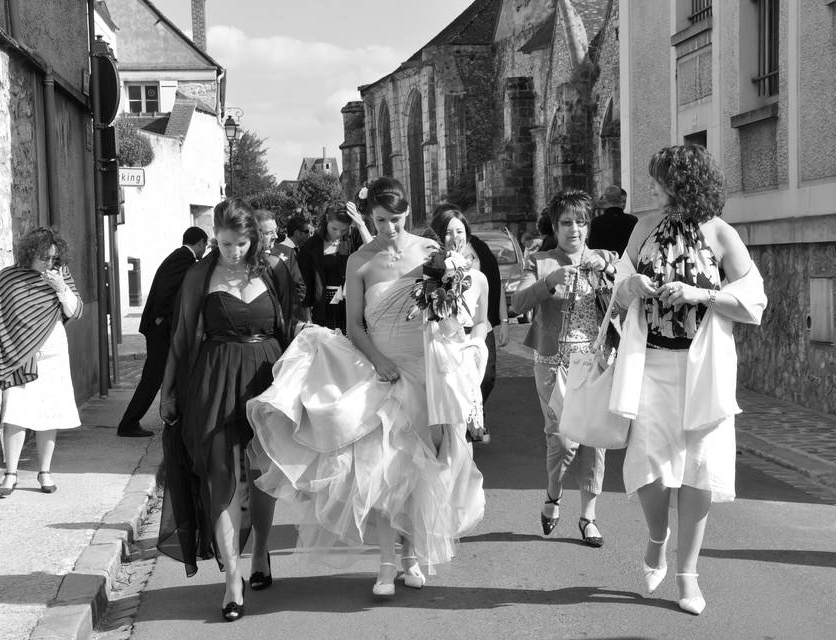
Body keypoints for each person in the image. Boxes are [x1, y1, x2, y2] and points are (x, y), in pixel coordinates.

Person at [247, 176, 485, 597]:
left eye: (395, 220)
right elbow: (354, 325)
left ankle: (412, 556)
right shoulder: (360, 260)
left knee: (424, 465)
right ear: (370, 216)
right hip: (381, 369)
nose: (388, 229)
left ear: (407, 214)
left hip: (427, 369)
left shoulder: (431, 254)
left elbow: (451, 314)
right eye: (380, 220)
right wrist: (379, 361)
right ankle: (385, 564)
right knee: (384, 469)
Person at [612, 145, 766, 615]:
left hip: (703, 368)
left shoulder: (719, 233)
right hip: (652, 366)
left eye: (660, 180)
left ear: (684, 183)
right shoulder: (643, 228)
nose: (652, 188)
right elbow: (617, 294)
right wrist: (631, 286)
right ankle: (657, 536)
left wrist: (700, 292)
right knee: (649, 469)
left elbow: (754, 298)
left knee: (700, 469)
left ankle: (688, 575)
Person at [157, 198, 303, 622]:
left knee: (261, 474)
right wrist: (168, 391)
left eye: (241, 244)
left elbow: (290, 326)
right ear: (214, 238)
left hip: (265, 378)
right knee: (219, 475)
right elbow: (183, 337)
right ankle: (232, 579)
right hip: (215, 380)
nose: (234, 252)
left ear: (252, 238)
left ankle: (260, 552)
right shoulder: (199, 276)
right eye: (225, 244)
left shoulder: (272, 269)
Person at [510, 190, 618, 548]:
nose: (575, 229)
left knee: (593, 439)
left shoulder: (606, 258)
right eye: (567, 222)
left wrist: (611, 275)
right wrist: (550, 281)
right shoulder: (540, 261)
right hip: (552, 363)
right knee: (561, 437)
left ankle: (588, 517)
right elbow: (517, 302)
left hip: (595, 361)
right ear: (555, 226)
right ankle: (553, 496)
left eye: (581, 222)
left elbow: (628, 300)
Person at [0, 227, 84, 497]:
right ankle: (11, 474)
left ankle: (45, 472)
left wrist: (60, 287)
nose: (50, 263)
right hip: (16, 355)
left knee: (49, 414)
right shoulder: (8, 277)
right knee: (14, 414)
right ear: (30, 254)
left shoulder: (60, 275)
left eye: (54, 257)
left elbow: (75, 310)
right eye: (45, 258)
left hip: (53, 355)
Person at [117, 227, 208, 438]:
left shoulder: (181, 257)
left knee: (162, 375)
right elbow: (166, 290)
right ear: (200, 242)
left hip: (162, 328)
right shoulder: (183, 258)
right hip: (160, 329)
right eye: (205, 245)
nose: (204, 249)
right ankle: (128, 423)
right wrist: (160, 316)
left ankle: (172, 417)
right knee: (153, 377)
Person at [429, 204, 509, 441]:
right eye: (448, 232)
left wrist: (477, 342)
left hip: (474, 335)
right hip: (442, 342)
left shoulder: (480, 263)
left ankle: (471, 422)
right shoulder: (432, 269)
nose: (455, 238)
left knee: (485, 378)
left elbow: (493, 292)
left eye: (460, 231)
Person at [296, 200, 372, 333]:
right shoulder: (311, 246)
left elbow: (374, 253)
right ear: (326, 219)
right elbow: (305, 286)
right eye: (334, 228)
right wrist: (308, 320)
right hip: (324, 309)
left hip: (353, 305)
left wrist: (361, 224)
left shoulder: (353, 237)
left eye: (344, 230)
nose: (338, 234)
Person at [255, 209, 308, 322]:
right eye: (269, 233)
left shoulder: (287, 252)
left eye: (275, 230)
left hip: (285, 319)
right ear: (255, 234)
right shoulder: (246, 259)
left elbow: (300, 288)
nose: (275, 236)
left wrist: (287, 312)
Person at [588, 185, 637, 255]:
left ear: (605, 200)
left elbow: (593, 249)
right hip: (626, 263)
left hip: (606, 263)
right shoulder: (633, 220)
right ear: (621, 199)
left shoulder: (597, 222)